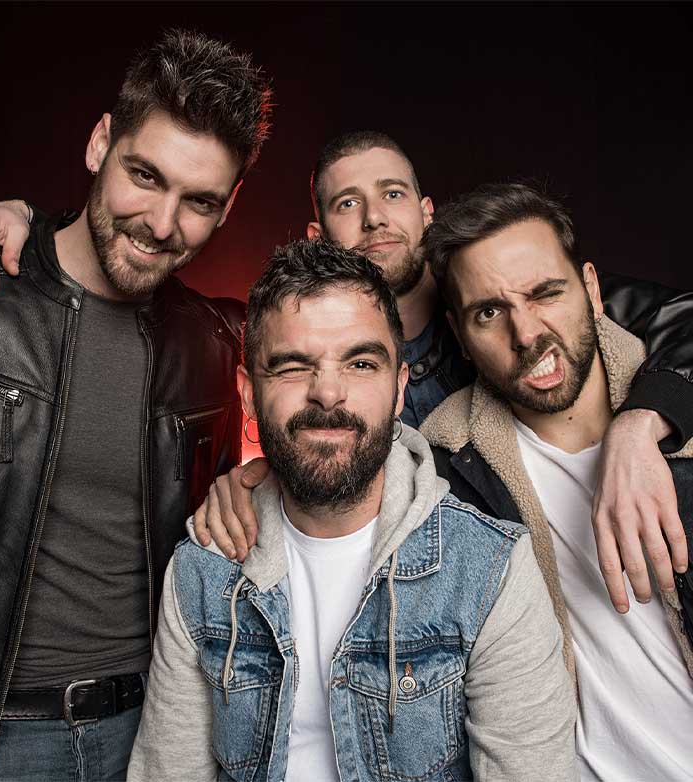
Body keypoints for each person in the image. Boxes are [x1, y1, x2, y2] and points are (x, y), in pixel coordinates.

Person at [0, 131, 693, 611]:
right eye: (348, 204)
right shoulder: (275, 335)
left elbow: (670, 324)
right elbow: (234, 360)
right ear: (319, 233)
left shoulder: (502, 301)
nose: (375, 217)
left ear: (426, 212)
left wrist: (640, 421)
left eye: (392, 193)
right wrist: (29, 224)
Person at [0, 29, 271, 782]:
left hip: (152, 736)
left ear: (229, 206)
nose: (161, 223)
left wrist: (254, 481)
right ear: (101, 143)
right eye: (145, 175)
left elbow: (353, 385)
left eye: (198, 201)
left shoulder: (213, 344)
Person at [126, 238, 577, 782]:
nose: (328, 393)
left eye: (361, 363)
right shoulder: (200, 572)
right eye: (293, 367)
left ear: (399, 388)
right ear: (247, 394)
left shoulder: (489, 572)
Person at [420, 182, 693, 780]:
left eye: (546, 293)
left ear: (592, 289)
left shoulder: (678, 403)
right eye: (489, 312)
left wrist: (640, 428)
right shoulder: (446, 470)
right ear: (459, 335)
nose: (526, 334)